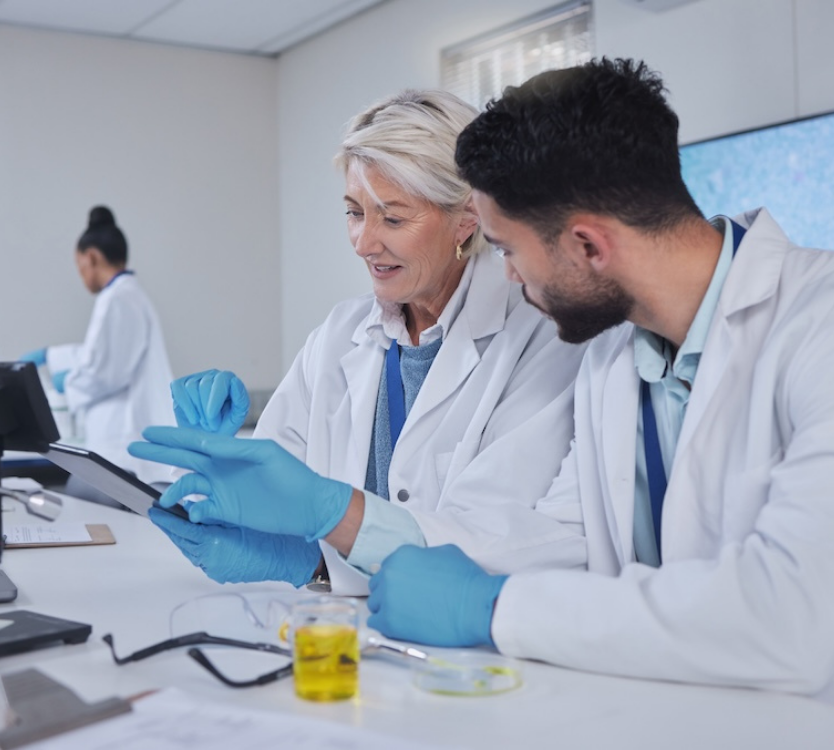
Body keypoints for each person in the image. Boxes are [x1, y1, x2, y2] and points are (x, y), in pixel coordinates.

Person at [355, 59, 834, 701]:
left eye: (506, 249)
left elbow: (792, 620)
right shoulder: (613, 354)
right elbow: (559, 535)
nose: (511, 280)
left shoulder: (817, 326)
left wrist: (494, 609)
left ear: (588, 246)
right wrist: (358, 525)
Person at [129, 90, 587, 594]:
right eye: (353, 212)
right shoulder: (338, 336)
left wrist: (329, 529)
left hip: (475, 659)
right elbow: (275, 499)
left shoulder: (540, 338)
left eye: (392, 218)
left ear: (467, 217)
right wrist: (220, 460)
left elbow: (494, 543)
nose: (364, 243)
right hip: (346, 635)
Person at [21, 206, 175, 485]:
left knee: (83, 499)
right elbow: (101, 354)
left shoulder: (119, 299)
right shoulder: (124, 296)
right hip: (117, 445)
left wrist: (69, 382)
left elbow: (106, 371)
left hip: (120, 445)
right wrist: (51, 356)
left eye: (79, 266)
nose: (81, 276)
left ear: (91, 257)